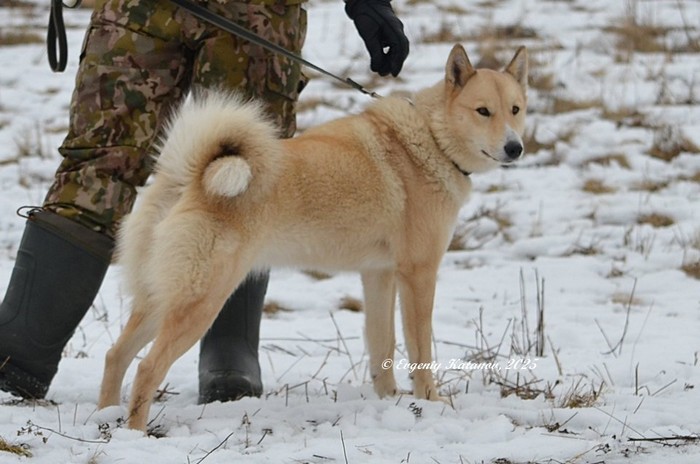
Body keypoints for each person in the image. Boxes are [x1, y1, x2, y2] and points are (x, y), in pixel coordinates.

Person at [0, 0, 408, 403]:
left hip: (256, 14)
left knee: (244, 174)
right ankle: (18, 352)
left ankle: (229, 358)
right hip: (138, 8)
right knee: (96, 164)